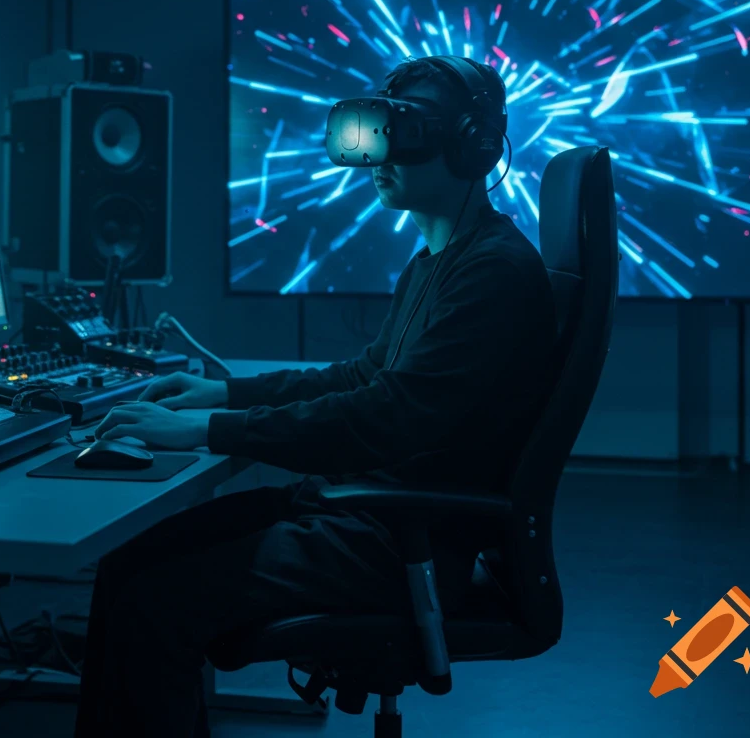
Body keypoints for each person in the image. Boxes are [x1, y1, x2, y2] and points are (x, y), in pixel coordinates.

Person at [73, 57, 557, 738]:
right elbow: (366, 376)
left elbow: (385, 418)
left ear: (472, 144)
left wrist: (212, 430)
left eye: (406, 133)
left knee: (154, 603)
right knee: (129, 561)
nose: (380, 156)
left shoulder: (494, 275)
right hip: (367, 517)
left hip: (399, 543)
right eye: (379, 131)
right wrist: (221, 392)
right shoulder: (441, 260)